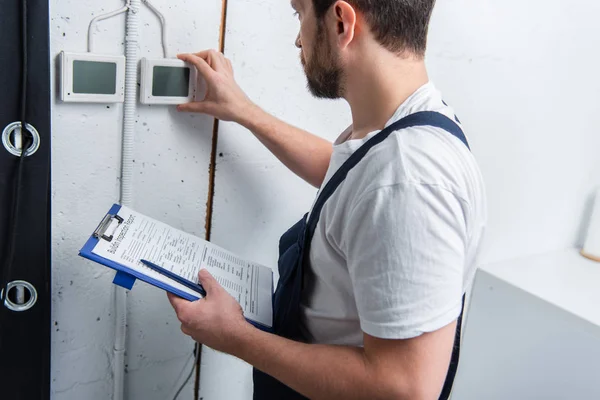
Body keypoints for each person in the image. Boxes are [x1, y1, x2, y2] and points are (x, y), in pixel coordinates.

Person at [168, 0, 487, 398]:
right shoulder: (400, 125)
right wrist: (244, 111)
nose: (297, 38)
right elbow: (349, 178)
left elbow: (403, 388)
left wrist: (235, 336)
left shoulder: (409, 179)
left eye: (299, 13)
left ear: (341, 21)